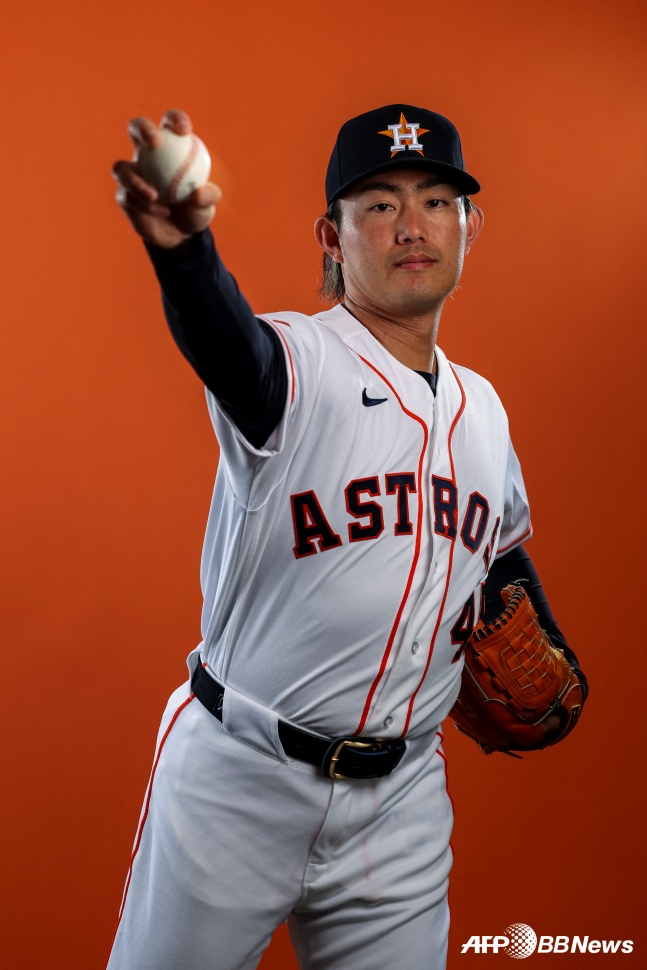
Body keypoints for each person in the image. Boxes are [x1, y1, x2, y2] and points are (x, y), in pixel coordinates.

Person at [108, 104, 588, 970]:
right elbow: (228, 346)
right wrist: (185, 254)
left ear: (469, 228)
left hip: (400, 803)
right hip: (237, 781)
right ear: (331, 237)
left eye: (436, 201)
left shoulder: (483, 410)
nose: (412, 226)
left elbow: (497, 548)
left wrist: (537, 629)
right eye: (379, 204)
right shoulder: (297, 362)